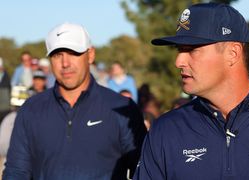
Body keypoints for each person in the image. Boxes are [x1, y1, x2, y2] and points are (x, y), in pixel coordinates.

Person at [133, 3, 249, 180]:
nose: (178, 61)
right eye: (179, 50)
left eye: (191, 50)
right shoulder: (166, 131)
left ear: (233, 53)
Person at [3, 22, 146, 180]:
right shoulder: (31, 109)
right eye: (57, 55)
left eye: (73, 53)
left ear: (90, 55)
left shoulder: (122, 108)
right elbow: (16, 172)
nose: (65, 63)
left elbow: (144, 170)